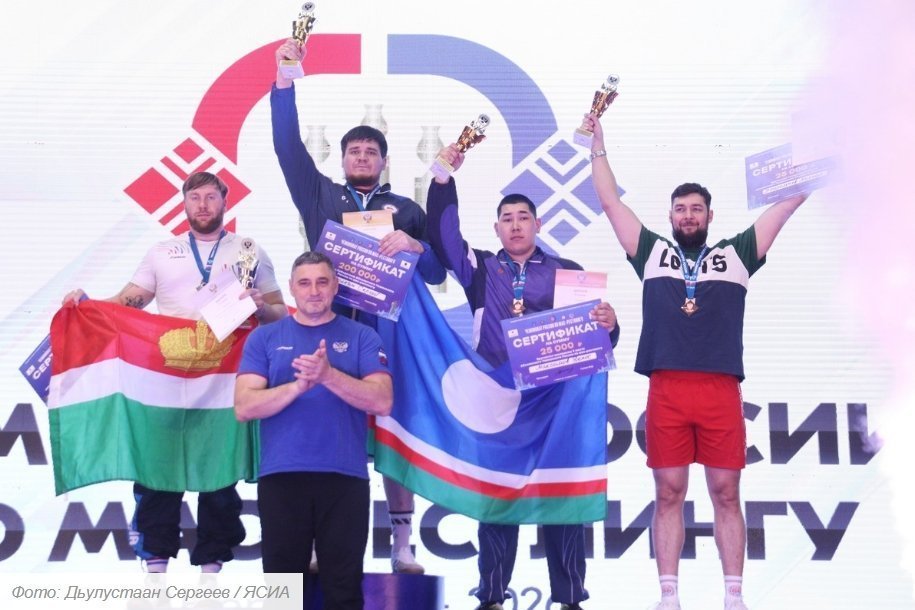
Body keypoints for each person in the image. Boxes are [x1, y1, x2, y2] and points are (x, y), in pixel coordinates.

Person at [585, 113, 808, 610]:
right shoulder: (650, 253)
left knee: (726, 491)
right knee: (668, 491)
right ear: (670, 217)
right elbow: (609, 201)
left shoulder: (739, 253)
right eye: (680, 209)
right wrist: (597, 145)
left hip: (719, 390)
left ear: (710, 216)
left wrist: (815, 150)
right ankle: (669, 596)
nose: (688, 216)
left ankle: (734, 596)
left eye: (696, 210)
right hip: (667, 389)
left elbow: (788, 201)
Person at [271, 38, 446, 574]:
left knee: (394, 431)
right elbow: (287, 148)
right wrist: (284, 83)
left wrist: (416, 246)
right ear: (343, 159)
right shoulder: (320, 196)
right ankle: (318, 544)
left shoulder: (406, 209)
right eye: (354, 152)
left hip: (391, 335)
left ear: (384, 161)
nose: (362, 158)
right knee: (327, 429)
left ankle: (402, 544)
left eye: (371, 152)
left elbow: (438, 274)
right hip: (329, 329)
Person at [62, 171, 288, 572]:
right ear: (183, 203)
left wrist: (260, 306)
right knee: (157, 469)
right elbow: (127, 301)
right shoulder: (162, 253)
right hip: (165, 380)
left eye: (211, 197)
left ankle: (211, 573)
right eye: (195, 197)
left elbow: (281, 314)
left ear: (225, 202)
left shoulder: (248, 250)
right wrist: (88, 304)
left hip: (223, 380)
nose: (203, 205)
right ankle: (156, 571)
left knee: (219, 471)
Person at [426, 144, 620, 610]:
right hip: (499, 401)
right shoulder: (481, 268)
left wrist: (610, 326)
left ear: (538, 225)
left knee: (561, 496)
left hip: (554, 404)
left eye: (523, 218)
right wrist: (442, 180)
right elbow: (444, 236)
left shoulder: (567, 272)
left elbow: (592, 341)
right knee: (496, 499)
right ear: (497, 228)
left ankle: (570, 598)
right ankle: (491, 597)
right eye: (507, 219)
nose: (515, 225)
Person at [234, 251, 393, 608]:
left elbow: (383, 401)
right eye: (304, 283)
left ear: (336, 286)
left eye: (322, 282)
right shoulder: (264, 338)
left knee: (344, 591)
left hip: (345, 479)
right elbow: (244, 407)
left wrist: (328, 376)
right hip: (282, 478)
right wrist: (297, 387)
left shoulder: (363, 336)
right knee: (283, 595)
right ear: (291, 289)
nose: (314, 291)